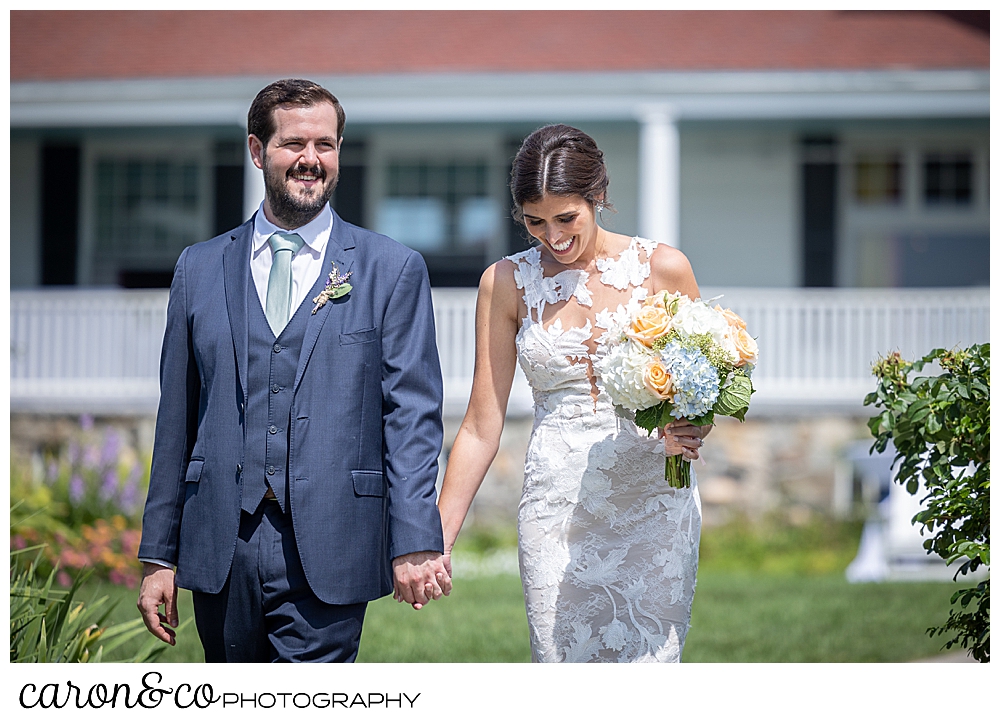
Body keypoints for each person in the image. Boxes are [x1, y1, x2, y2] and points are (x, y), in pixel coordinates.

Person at [136, 78, 451, 663]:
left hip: (333, 539)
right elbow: (175, 417)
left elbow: (412, 417)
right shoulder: (198, 268)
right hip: (219, 543)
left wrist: (414, 538)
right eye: (294, 144)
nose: (311, 160)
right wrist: (160, 554)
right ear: (258, 151)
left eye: (326, 145)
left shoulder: (392, 268)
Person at [436, 124, 710, 663]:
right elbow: (480, 423)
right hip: (554, 507)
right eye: (534, 222)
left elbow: (701, 389)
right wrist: (439, 532)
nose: (552, 236)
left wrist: (691, 428)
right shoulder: (505, 282)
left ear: (598, 197)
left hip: (653, 501)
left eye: (566, 218)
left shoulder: (663, 268)